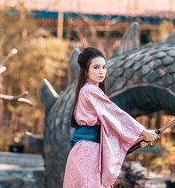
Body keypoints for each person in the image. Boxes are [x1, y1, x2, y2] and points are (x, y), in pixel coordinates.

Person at [63, 47, 159, 188]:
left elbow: (109, 128)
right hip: (88, 155)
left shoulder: (89, 90)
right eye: (96, 67)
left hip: (87, 152)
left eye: (104, 67)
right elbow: (116, 115)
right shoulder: (90, 91)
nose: (101, 71)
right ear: (86, 70)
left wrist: (136, 140)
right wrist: (144, 132)